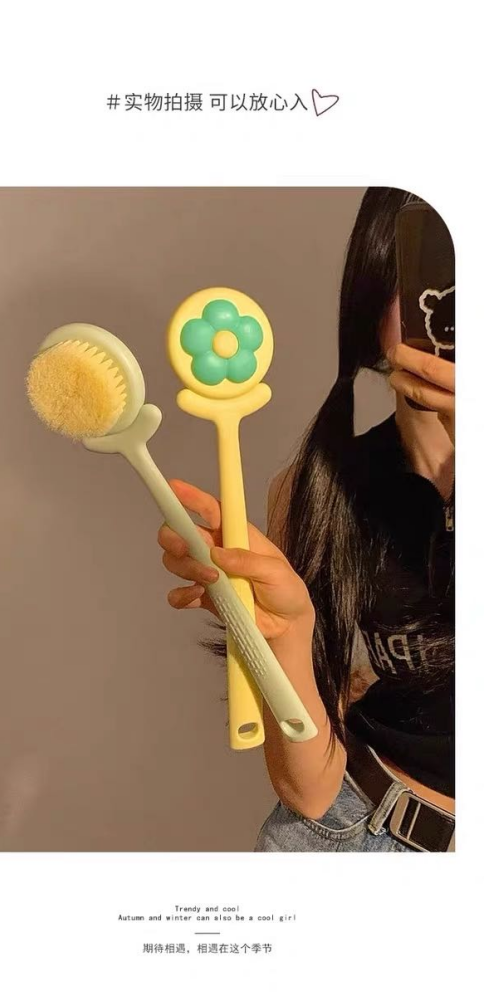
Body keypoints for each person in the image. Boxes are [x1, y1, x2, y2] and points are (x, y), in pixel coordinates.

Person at [157, 187, 455, 852]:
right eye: (436, 269)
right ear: (375, 288)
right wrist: (285, 633)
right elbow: (310, 789)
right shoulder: (312, 491)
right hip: (355, 833)